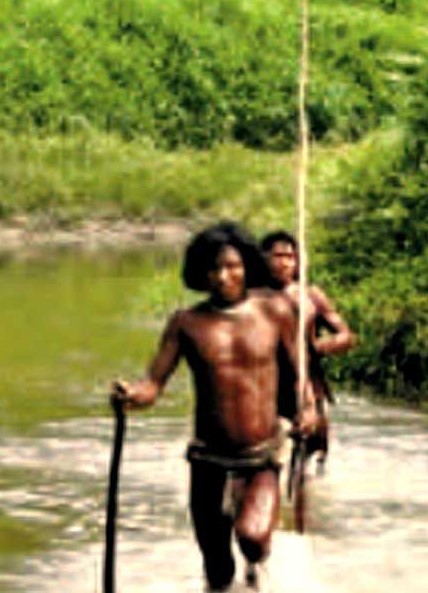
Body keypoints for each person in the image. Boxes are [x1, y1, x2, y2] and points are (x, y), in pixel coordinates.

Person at [112, 223, 310, 591]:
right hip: (207, 458)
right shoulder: (186, 324)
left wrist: (307, 409)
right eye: (214, 269)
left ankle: (259, 563)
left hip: (261, 454)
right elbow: (153, 384)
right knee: (218, 570)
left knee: (252, 537)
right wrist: (132, 396)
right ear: (201, 275)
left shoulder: (276, 311)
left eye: (232, 266)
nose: (223, 276)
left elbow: (299, 373)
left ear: (248, 267)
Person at [261, 230, 357, 524]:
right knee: (265, 457)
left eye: (289, 256)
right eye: (277, 256)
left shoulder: (311, 296)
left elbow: (346, 335)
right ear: (263, 259)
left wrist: (317, 347)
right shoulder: (253, 296)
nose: (284, 263)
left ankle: (303, 514)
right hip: (266, 385)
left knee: (312, 451)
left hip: (307, 383)